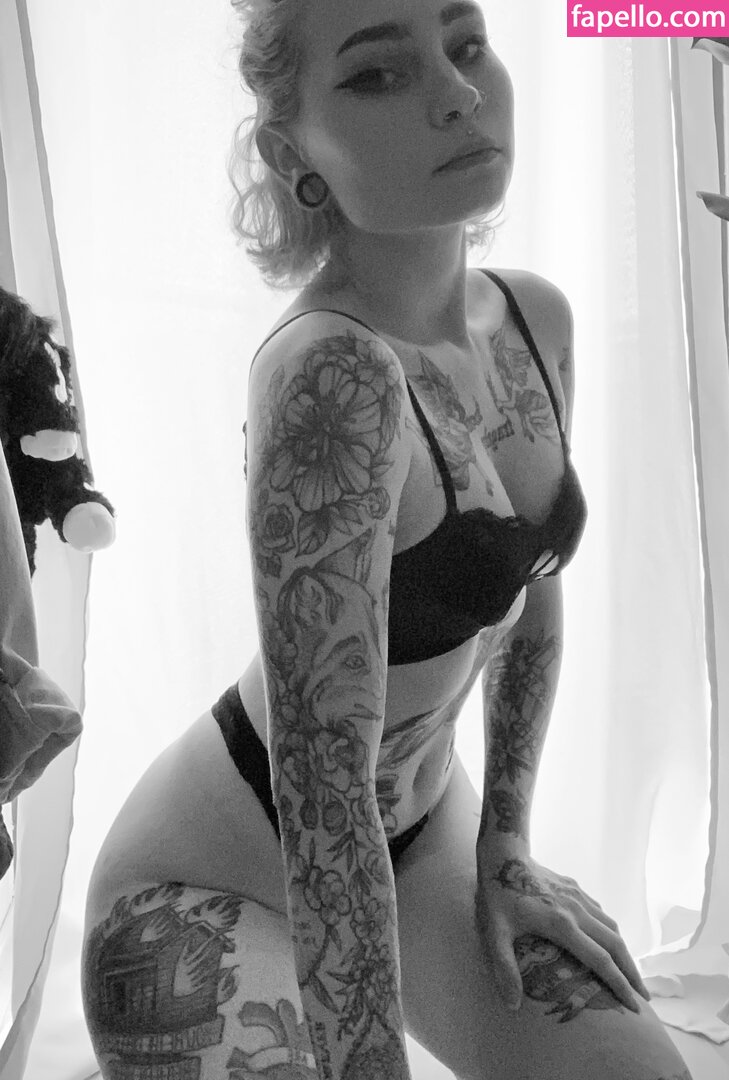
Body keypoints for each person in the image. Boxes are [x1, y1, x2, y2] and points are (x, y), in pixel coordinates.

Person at [81, 2, 694, 1078]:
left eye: (465, 45)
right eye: (377, 74)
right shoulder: (331, 375)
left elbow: (530, 585)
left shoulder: (532, 321)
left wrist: (506, 846)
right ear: (294, 156)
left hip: (419, 835)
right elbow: (323, 795)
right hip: (206, 882)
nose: (456, 93)